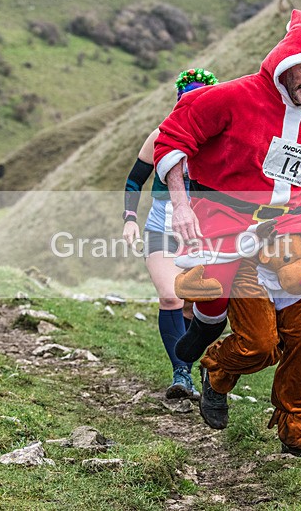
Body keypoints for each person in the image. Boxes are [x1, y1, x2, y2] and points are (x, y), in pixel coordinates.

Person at [153, 10, 301, 456]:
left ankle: (297, 425)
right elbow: (174, 139)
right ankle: (216, 368)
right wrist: (180, 205)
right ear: (286, 62)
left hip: (297, 232)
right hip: (233, 232)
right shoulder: (230, 98)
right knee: (259, 344)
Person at [122, 68, 218, 400]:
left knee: (197, 305)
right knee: (171, 297)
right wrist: (130, 219)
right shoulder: (160, 135)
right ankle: (181, 373)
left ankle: (205, 367)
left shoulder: (218, 138)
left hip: (206, 231)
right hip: (161, 227)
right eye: (185, 101)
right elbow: (135, 180)